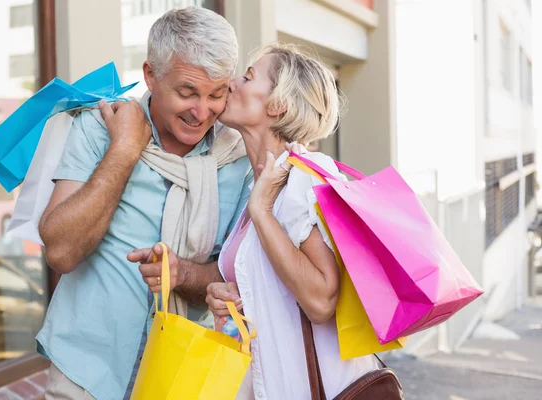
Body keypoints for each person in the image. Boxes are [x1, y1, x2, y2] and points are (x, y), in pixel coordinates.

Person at [37, 7, 252, 399]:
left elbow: (240, 278)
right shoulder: (100, 127)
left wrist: (184, 273)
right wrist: (124, 149)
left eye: (216, 94)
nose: (202, 112)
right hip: (86, 372)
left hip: (182, 378)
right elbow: (61, 251)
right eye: (187, 92)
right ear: (151, 75)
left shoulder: (238, 156)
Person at [206, 43, 379, 399]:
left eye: (249, 76)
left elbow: (320, 300)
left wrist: (262, 213)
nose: (233, 82)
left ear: (278, 104)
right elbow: (275, 288)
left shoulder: (302, 181)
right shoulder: (262, 184)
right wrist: (228, 296)